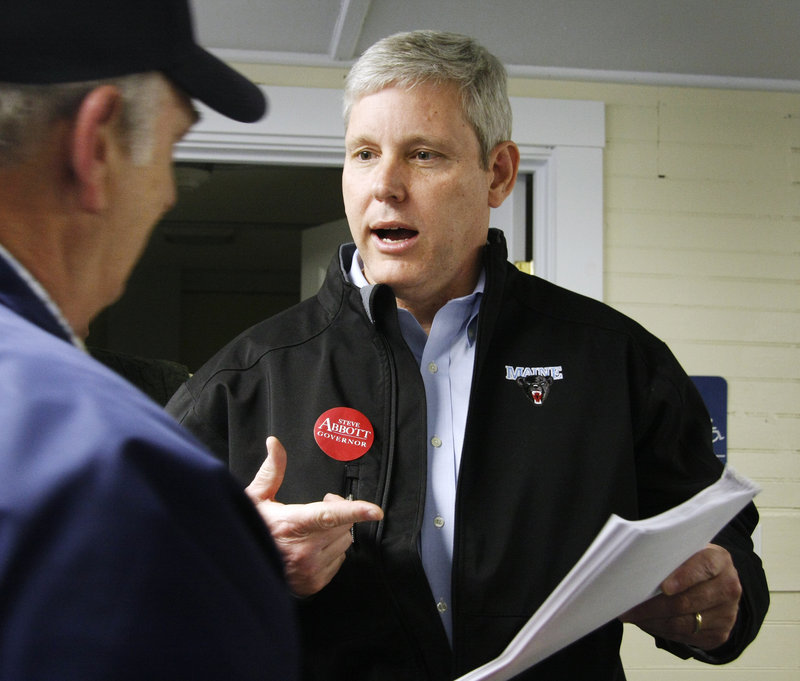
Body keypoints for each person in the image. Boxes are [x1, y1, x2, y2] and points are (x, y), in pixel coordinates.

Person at [167, 30, 769, 680]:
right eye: (364, 153)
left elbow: (726, 548)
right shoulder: (241, 381)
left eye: (423, 155)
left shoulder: (616, 360)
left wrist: (717, 597)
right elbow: (134, 589)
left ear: (499, 174)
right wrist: (246, 568)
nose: (386, 185)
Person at [0, 1, 381, 678]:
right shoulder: (125, 477)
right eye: (172, 149)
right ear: (94, 147)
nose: (170, 193)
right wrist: (210, 552)